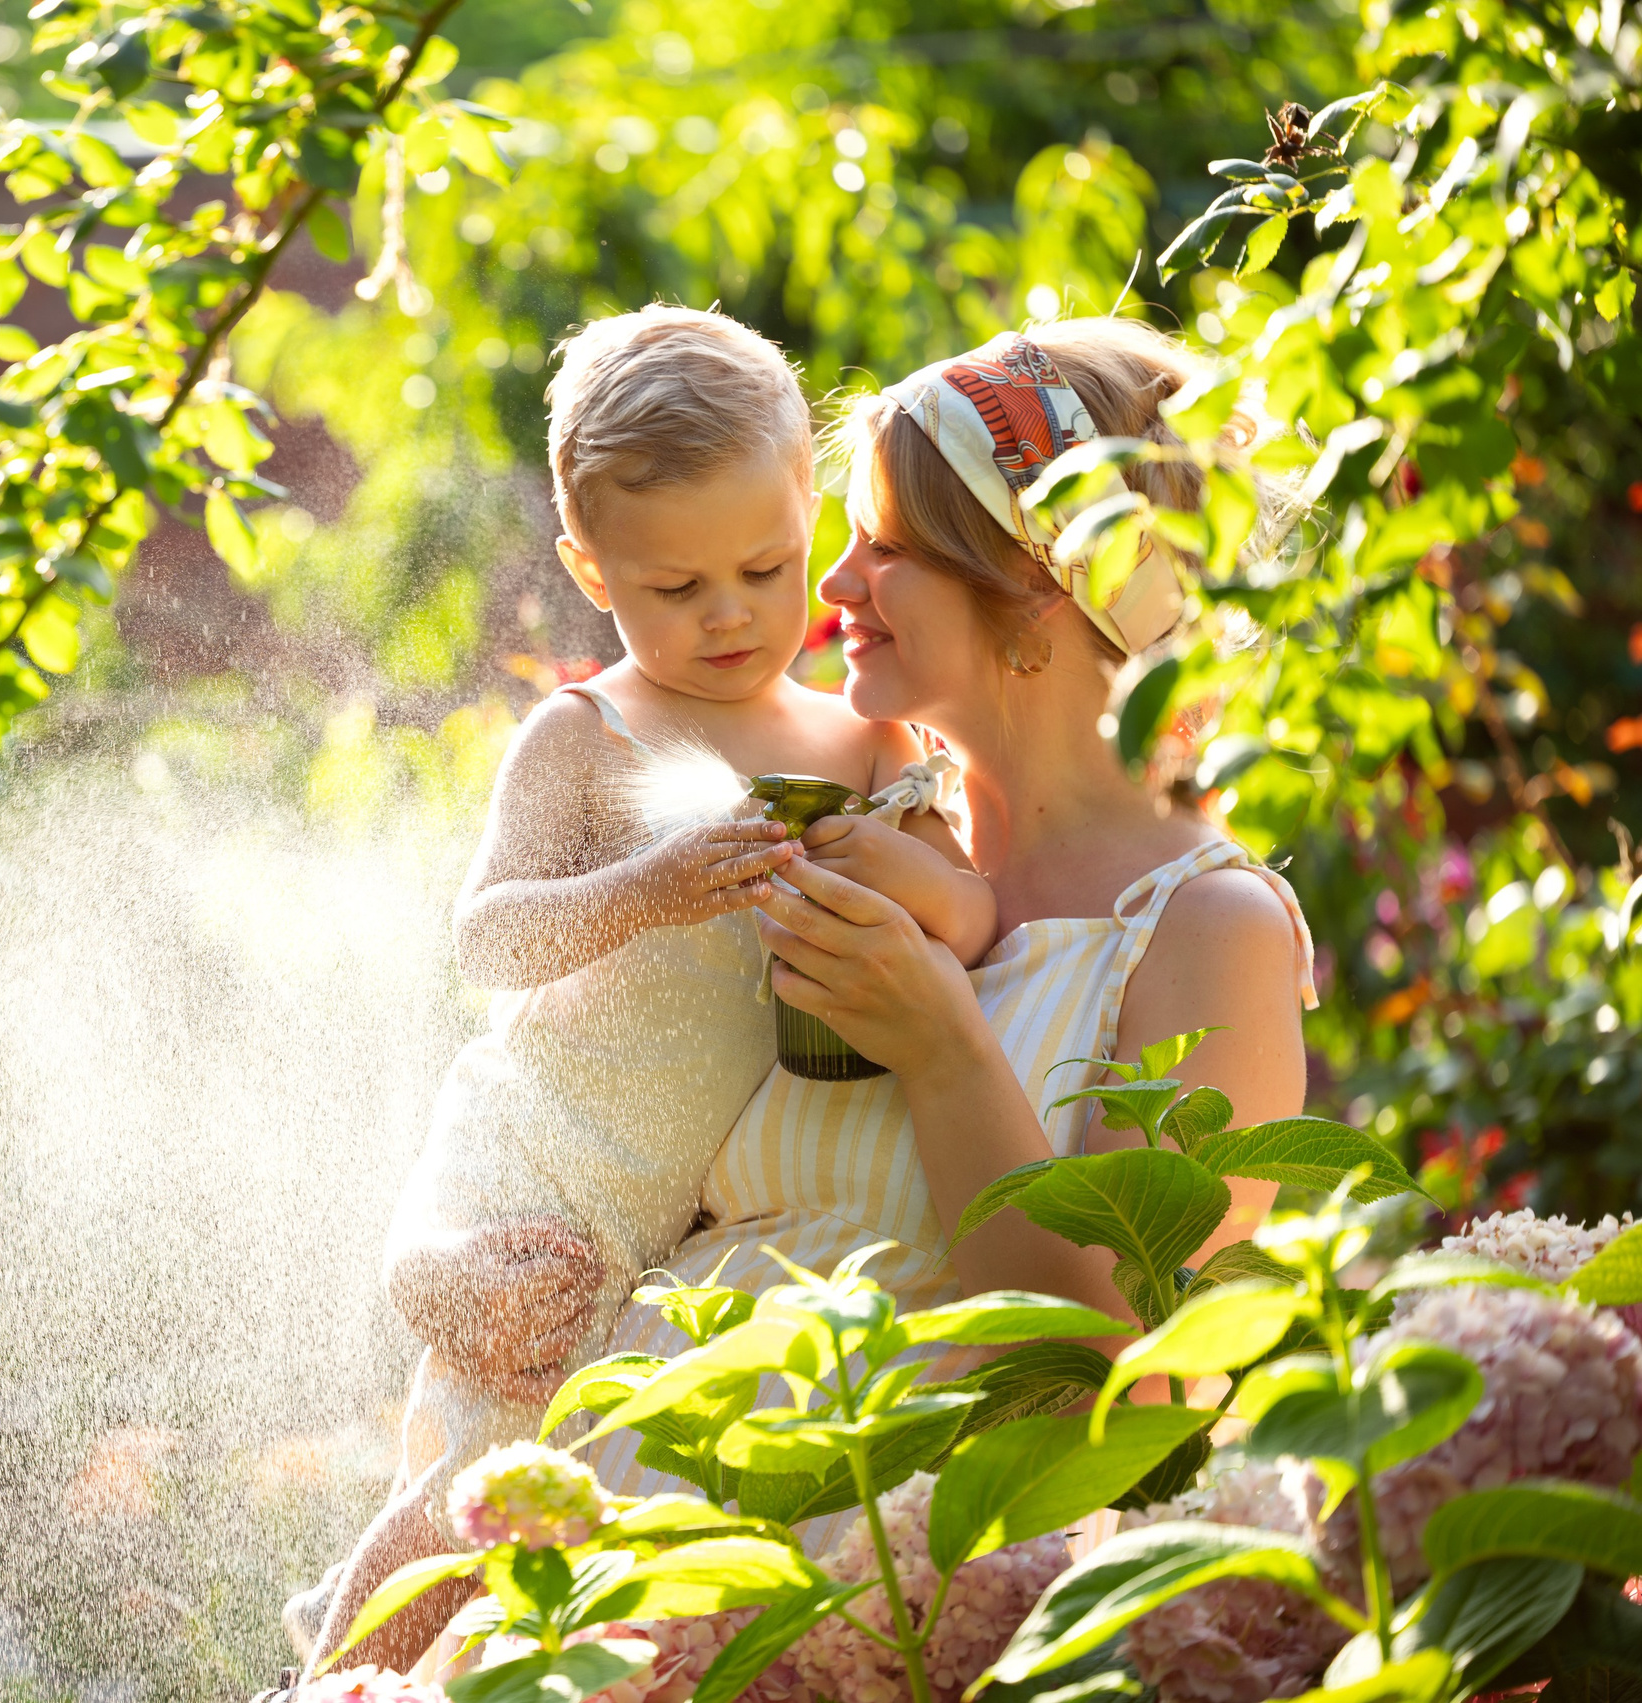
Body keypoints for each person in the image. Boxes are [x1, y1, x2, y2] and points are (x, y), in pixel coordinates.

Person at [412, 317, 1317, 1517]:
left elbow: (1125, 1390)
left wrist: (942, 1048)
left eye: (882, 545)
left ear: (1036, 586)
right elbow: (613, 1101)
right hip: (628, 1533)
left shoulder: (1205, 928)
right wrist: (465, 1268)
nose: (831, 585)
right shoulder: (867, 832)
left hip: (887, 1577)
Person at [289, 305, 998, 1674]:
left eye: (764, 567)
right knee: (479, 1479)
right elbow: (488, 937)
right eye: (674, 587)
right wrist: (646, 889)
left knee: (587, 1501)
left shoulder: (862, 741)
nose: (727, 612)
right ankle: (326, 1680)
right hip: (548, 1161)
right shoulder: (587, 733)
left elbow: (966, 912)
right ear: (590, 568)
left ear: (809, 518)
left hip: (686, 1218)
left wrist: (885, 861)